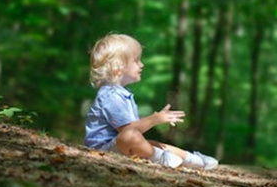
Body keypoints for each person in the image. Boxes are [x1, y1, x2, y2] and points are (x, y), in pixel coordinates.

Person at [84, 33, 218, 170]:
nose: (141, 65)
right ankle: (163, 159)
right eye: (136, 61)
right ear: (118, 66)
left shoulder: (121, 94)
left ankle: (194, 160)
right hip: (103, 150)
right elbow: (128, 131)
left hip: (118, 144)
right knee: (132, 136)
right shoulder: (111, 96)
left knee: (152, 143)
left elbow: (130, 127)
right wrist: (154, 119)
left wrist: (155, 118)